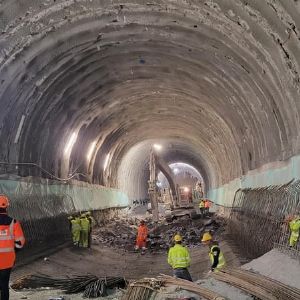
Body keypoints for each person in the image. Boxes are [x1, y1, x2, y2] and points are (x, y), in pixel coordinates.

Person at [0, 195, 25, 300]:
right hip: (7, 259)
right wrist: (14, 250)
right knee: (4, 285)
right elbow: (20, 242)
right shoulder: (13, 222)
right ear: (6, 207)